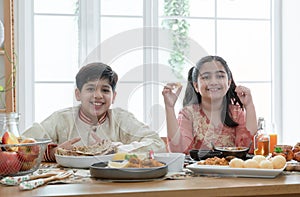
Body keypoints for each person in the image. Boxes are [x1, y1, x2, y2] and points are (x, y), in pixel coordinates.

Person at [22, 62, 166, 161]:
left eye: (105, 90)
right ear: (78, 94)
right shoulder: (61, 119)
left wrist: (115, 150)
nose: (97, 95)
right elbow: (20, 146)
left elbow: (157, 144)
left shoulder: (122, 119)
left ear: (113, 97)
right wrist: (52, 153)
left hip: (114, 188)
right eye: (90, 89)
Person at [162, 55, 257, 154]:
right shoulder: (188, 113)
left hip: (230, 168)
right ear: (196, 86)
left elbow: (248, 148)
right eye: (206, 77)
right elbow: (178, 151)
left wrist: (249, 106)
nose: (213, 82)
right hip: (198, 169)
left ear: (228, 83)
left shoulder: (236, 113)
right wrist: (169, 107)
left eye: (220, 76)